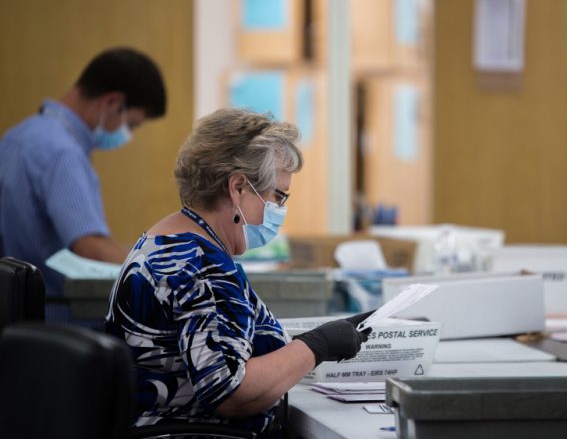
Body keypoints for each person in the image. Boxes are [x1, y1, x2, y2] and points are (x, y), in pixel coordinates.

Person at [105, 108, 371, 436]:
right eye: (278, 195)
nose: (281, 210)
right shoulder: (203, 266)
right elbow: (230, 392)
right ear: (239, 187)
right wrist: (316, 347)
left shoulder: (164, 240)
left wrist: (306, 344)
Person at [0, 47, 167, 314]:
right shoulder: (62, 152)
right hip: (57, 320)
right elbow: (91, 247)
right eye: (131, 125)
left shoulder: (18, 136)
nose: (127, 134)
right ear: (113, 103)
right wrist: (165, 267)